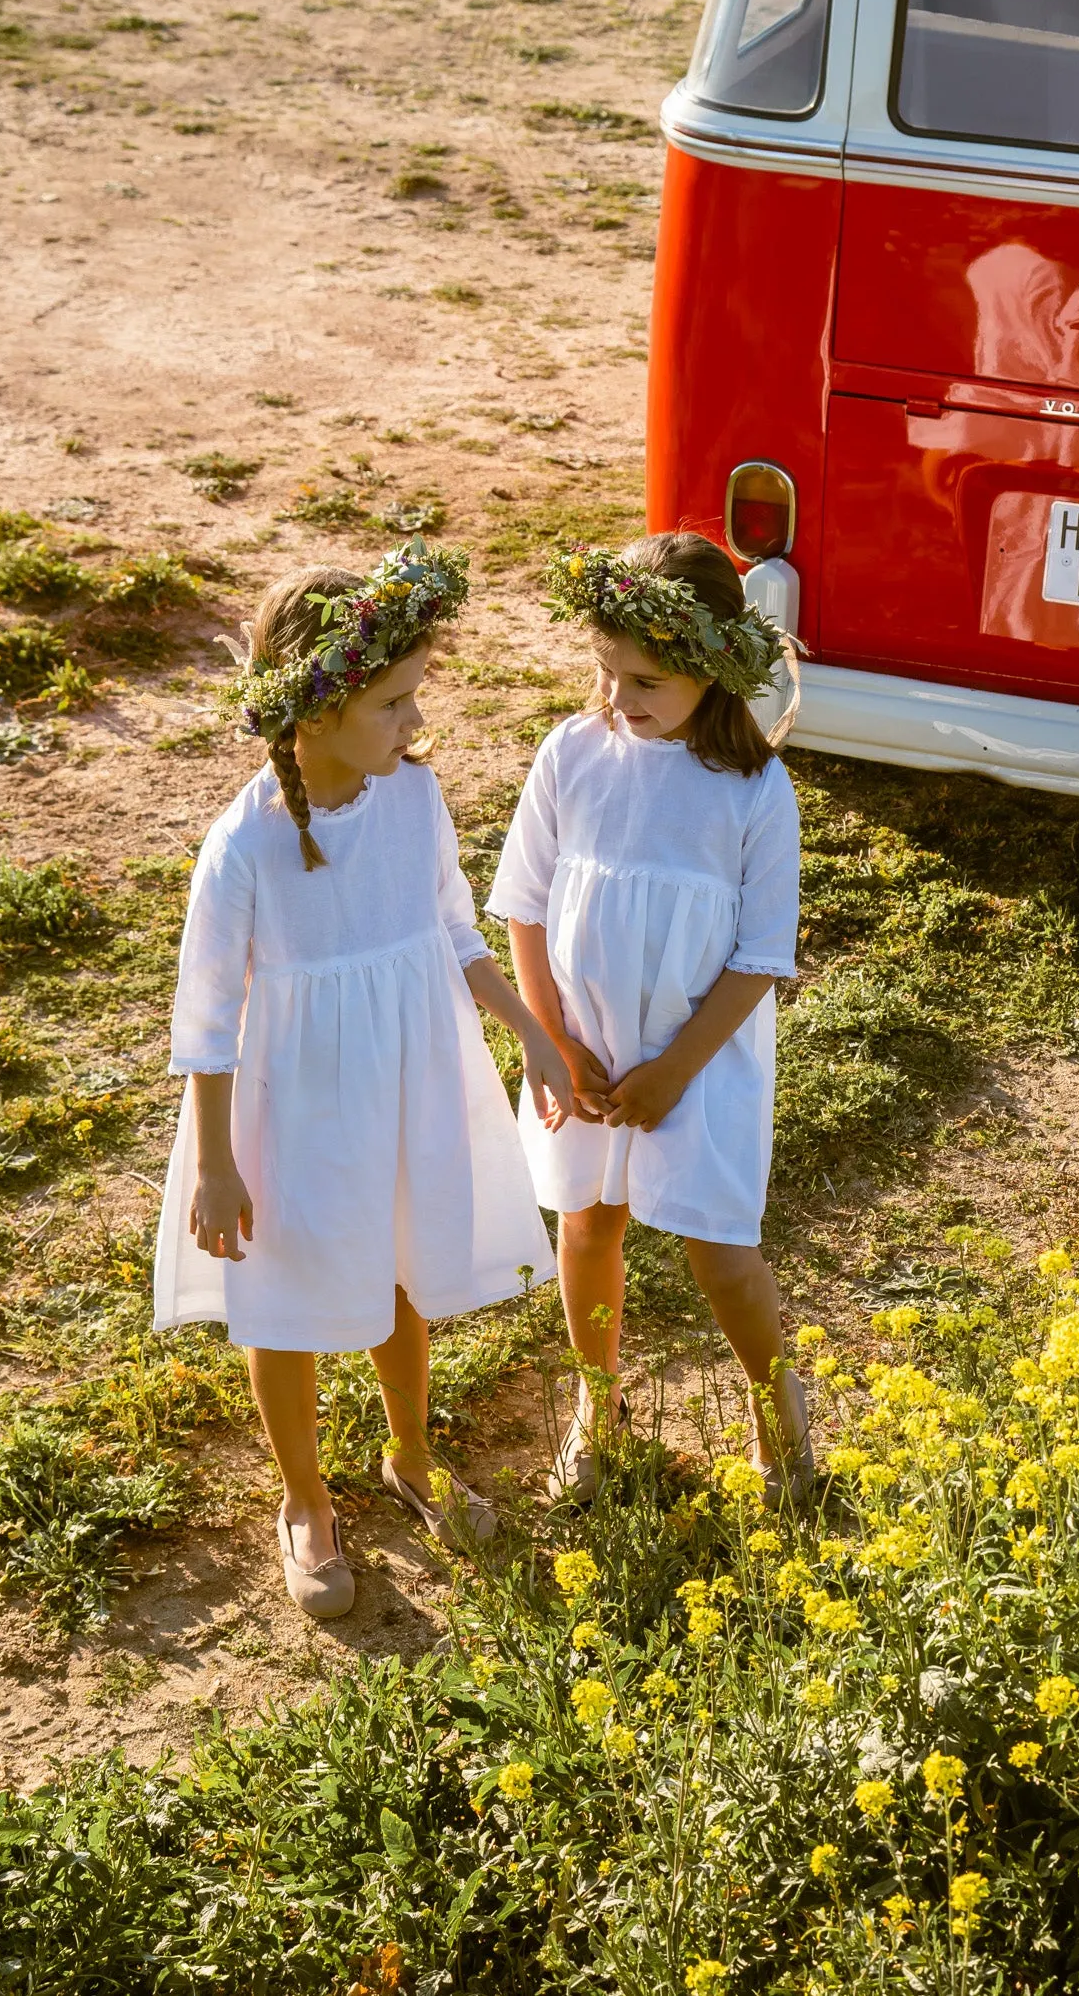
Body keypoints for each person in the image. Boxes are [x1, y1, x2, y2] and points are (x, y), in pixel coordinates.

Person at [152, 541, 570, 1619]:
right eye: (393, 704)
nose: (413, 726)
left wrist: (526, 1027)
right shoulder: (243, 844)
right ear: (319, 708)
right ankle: (304, 1498)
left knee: (396, 1273)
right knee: (282, 1304)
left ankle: (412, 1455)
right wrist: (215, 1167)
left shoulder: (410, 797)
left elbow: (448, 928)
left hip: (399, 1084)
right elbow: (204, 1022)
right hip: (288, 1113)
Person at [487, 531, 810, 1503]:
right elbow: (524, 905)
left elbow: (759, 957)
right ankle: (598, 1407)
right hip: (579, 1048)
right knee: (586, 1227)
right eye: (607, 672)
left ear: (714, 668)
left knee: (720, 1252)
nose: (619, 698)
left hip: (695, 1064)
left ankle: (778, 1420)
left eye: (646, 681)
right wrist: (548, 1039)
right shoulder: (572, 754)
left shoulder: (754, 791)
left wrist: (675, 1069)